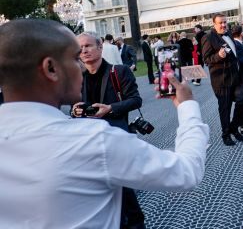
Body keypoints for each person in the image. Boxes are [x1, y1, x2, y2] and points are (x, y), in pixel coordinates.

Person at [0, 19, 209, 228]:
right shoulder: (93, 141)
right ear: (51, 68)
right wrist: (187, 105)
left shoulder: (116, 76)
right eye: (75, 57)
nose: (81, 63)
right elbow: (186, 172)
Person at [72, 32, 146, 228]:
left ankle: (136, 223)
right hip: (89, 144)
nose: (84, 50)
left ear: (100, 47)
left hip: (117, 139)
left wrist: (110, 108)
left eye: (88, 45)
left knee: (125, 190)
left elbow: (136, 100)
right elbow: (75, 107)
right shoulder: (78, 78)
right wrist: (75, 109)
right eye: (80, 48)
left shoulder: (119, 71)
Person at [202, 14, 243, 146]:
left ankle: (234, 127)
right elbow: (206, 59)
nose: (223, 25)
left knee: (242, 101)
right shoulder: (208, 37)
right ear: (214, 24)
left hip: (235, 76)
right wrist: (218, 56)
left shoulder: (229, 34)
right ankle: (225, 134)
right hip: (221, 79)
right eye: (220, 23)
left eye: (225, 22)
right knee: (225, 108)